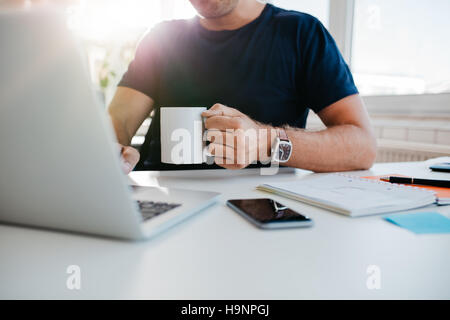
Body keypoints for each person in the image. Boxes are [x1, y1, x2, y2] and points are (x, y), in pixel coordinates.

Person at [109, 0, 377, 174]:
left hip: (261, 206)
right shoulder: (161, 38)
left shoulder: (301, 33)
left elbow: (362, 147)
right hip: (163, 203)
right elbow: (118, 120)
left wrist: (266, 142)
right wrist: (111, 148)